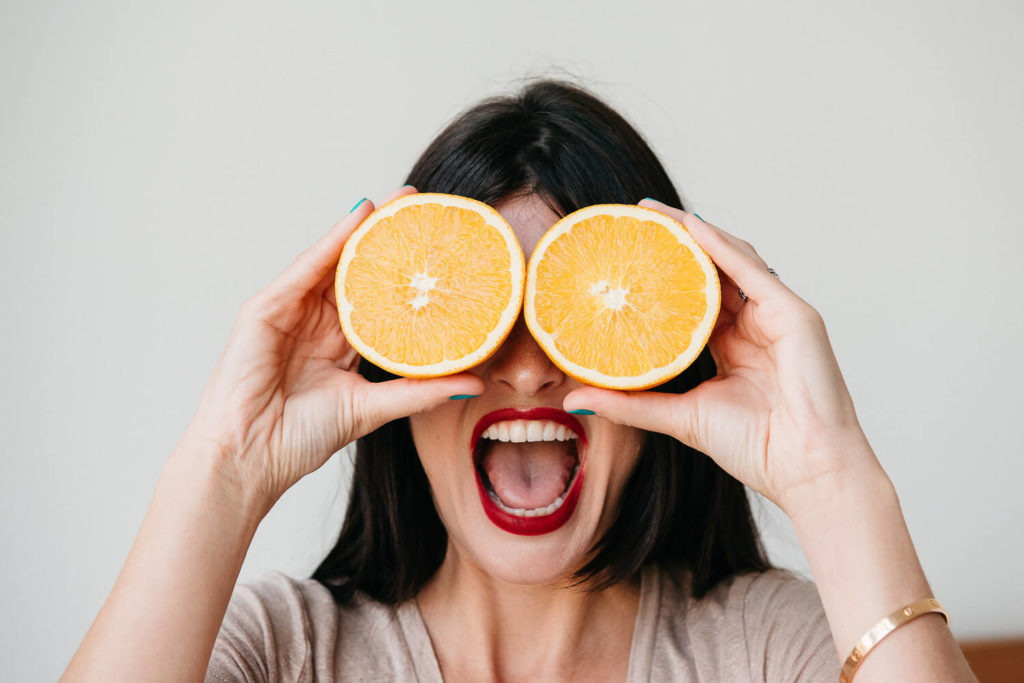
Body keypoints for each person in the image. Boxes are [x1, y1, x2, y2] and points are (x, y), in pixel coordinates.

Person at [62, 79, 976, 682]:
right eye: (485, 316)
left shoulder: (765, 644)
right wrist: (224, 466)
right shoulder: (283, 649)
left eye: (577, 316)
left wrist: (832, 477)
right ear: (398, 361)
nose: (531, 367)